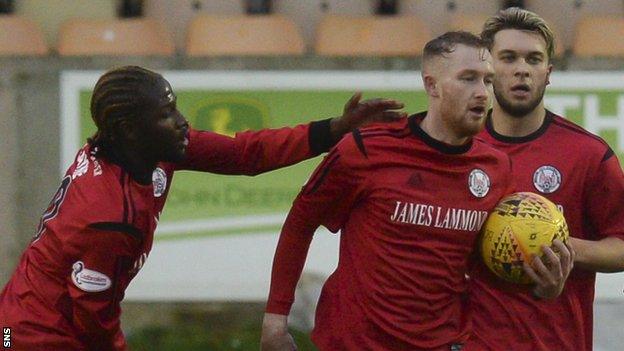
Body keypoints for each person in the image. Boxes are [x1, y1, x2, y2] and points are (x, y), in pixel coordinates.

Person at [0, 65, 406, 351]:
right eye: (166, 114)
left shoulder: (145, 149)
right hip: (30, 336)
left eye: (174, 107)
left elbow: (244, 153)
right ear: (130, 130)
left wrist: (333, 130)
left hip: (20, 312)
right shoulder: (108, 216)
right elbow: (92, 319)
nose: (181, 121)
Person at [261, 31, 515, 351]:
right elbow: (301, 223)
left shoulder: (497, 168)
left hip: (442, 343)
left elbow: (490, 267)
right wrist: (275, 320)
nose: (482, 93)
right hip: (355, 342)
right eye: (468, 78)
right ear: (432, 85)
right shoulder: (367, 148)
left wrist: (542, 284)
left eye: (488, 81)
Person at [465, 8, 624, 351]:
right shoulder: (459, 151)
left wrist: (562, 249)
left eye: (534, 59)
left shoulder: (588, 154)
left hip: (555, 342)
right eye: (508, 57)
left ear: (548, 73)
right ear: (488, 71)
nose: (522, 68)